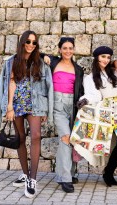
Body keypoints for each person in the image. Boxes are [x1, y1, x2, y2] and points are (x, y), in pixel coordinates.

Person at [0, 30, 53, 198]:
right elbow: (11, 82)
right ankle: (25, 174)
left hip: (34, 104)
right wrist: (9, 107)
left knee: (35, 136)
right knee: (20, 138)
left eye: (34, 42)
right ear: (22, 42)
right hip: (17, 103)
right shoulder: (13, 61)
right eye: (28, 42)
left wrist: (45, 108)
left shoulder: (40, 62)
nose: (31, 45)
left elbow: (47, 85)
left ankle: (32, 179)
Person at [75, 46, 117, 187]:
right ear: (96, 58)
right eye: (103, 57)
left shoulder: (114, 73)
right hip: (104, 112)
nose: (106, 60)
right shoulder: (90, 78)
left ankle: (108, 172)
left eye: (108, 57)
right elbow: (93, 94)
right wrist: (85, 100)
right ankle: (106, 173)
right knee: (104, 142)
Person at [42, 37, 84, 193]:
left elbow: (80, 90)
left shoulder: (78, 69)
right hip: (57, 104)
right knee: (65, 137)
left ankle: (70, 173)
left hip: (72, 106)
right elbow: (37, 55)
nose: (68, 51)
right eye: (64, 48)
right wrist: (43, 56)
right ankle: (64, 178)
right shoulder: (53, 62)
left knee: (72, 140)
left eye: (70, 48)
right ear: (59, 49)